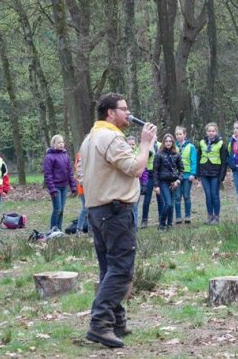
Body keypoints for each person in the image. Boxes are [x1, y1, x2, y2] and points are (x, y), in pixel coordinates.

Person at [79, 93, 157, 348]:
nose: (129, 113)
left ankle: (116, 321)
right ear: (110, 113)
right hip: (115, 210)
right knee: (122, 269)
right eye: (124, 109)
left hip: (97, 210)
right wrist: (145, 144)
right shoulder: (111, 137)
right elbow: (135, 169)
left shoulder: (89, 138)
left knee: (108, 269)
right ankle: (100, 323)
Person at [43, 134, 77, 230]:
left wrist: (73, 187)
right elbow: (48, 174)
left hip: (64, 186)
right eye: (59, 142)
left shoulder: (65, 155)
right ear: (53, 144)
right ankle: (53, 230)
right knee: (57, 209)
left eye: (62, 142)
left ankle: (59, 229)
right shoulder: (49, 157)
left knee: (61, 210)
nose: (61, 144)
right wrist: (52, 189)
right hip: (56, 187)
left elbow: (70, 172)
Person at [197, 122, 227, 224]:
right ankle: (210, 216)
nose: (211, 133)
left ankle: (216, 217)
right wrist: (198, 174)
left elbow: (224, 161)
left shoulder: (221, 143)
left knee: (215, 195)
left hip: (215, 173)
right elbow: (198, 157)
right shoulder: (201, 142)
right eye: (209, 131)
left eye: (213, 131)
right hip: (204, 172)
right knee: (208, 195)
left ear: (216, 132)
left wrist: (222, 176)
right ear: (206, 132)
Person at [153, 133, 184, 230]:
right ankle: (162, 224)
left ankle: (169, 224)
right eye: (166, 141)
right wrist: (156, 185)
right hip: (163, 182)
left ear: (173, 142)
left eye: (170, 141)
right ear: (163, 142)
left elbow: (182, 170)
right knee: (168, 203)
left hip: (174, 182)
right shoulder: (159, 154)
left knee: (172, 204)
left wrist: (178, 181)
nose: (168, 143)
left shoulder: (176, 154)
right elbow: (155, 171)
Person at [174, 126, 197, 224]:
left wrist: (193, 173)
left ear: (184, 134)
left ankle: (188, 216)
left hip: (187, 175)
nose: (179, 136)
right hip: (176, 175)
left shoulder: (190, 146)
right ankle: (178, 217)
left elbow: (194, 161)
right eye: (177, 134)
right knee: (177, 196)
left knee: (186, 195)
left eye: (180, 134)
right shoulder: (173, 146)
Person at [141, 138, 164, 228]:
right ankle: (144, 220)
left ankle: (161, 219)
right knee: (147, 199)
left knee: (160, 198)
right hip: (149, 173)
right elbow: (146, 156)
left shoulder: (161, 144)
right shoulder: (144, 144)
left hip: (159, 174)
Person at [74, 152, 88, 235]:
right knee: (86, 208)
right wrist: (83, 184)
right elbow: (79, 172)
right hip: (83, 187)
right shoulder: (81, 155)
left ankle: (91, 229)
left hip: (90, 186)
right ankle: (79, 229)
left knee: (90, 208)